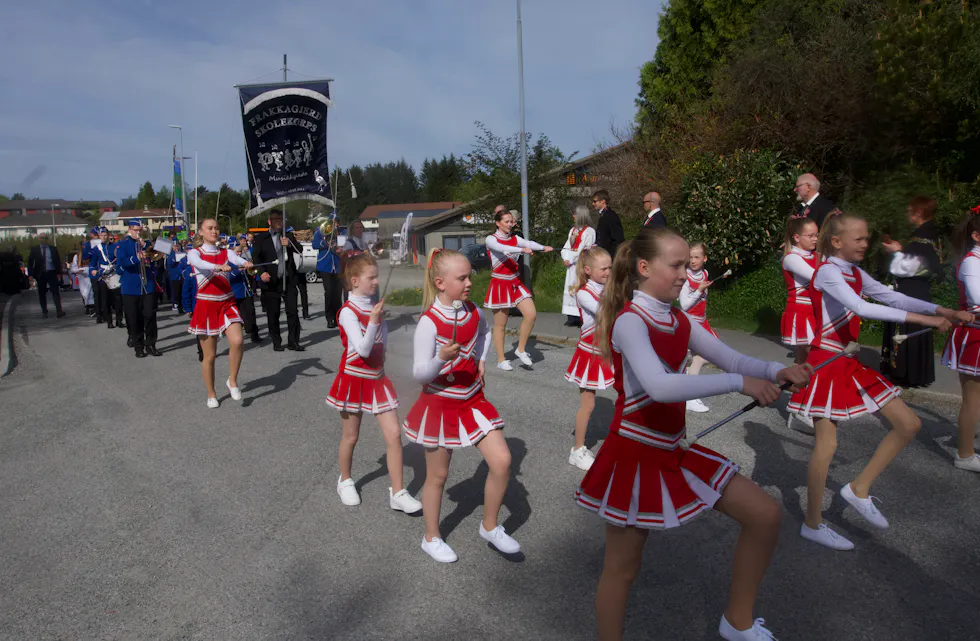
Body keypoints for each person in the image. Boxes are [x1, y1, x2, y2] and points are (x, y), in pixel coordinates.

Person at [577, 227, 811, 641]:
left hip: (672, 450)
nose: (687, 273)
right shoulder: (630, 321)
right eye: (677, 265)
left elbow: (731, 356)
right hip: (634, 455)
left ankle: (736, 622)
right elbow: (661, 386)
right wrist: (740, 384)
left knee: (765, 515)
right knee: (623, 568)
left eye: (687, 263)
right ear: (645, 268)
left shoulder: (678, 319)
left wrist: (778, 371)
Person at [786, 213, 968, 550]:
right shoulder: (827, 272)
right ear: (837, 242)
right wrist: (923, 318)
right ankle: (812, 523)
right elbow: (862, 308)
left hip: (847, 360)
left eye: (867, 238)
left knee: (909, 424)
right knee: (826, 446)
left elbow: (892, 297)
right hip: (825, 360)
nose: (866, 243)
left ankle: (858, 489)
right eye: (859, 238)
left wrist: (945, 311)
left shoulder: (853, 271)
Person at [404, 248, 517, 563]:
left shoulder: (474, 311)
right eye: (462, 277)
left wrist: (480, 360)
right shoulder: (430, 322)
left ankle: (490, 527)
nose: (470, 282)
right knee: (437, 476)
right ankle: (431, 537)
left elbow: (482, 335)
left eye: (471, 276)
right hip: (439, 404)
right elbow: (418, 374)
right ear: (440, 282)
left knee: (503, 461)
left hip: (472, 399)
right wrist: (441, 359)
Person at [325, 251, 422, 513]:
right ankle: (345, 480)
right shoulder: (348, 312)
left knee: (393, 434)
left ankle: (398, 492)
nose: (376, 282)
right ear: (355, 281)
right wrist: (374, 322)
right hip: (354, 379)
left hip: (377, 380)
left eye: (377, 277)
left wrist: (380, 324)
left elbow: (382, 348)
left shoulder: (373, 308)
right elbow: (363, 349)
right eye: (371, 277)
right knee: (351, 436)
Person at [186, 219, 252, 408]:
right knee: (210, 356)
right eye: (210, 228)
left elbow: (236, 259)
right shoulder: (194, 253)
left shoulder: (225, 252)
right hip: (206, 305)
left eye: (216, 227)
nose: (214, 231)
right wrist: (217, 267)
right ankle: (211, 393)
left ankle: (232, 380)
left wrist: (246, 262)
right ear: (201, 232)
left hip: (227, 302)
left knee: (238, 341)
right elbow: (199, 263)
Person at [880, 196, 941, 387]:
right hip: (920, 290)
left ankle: (905, 373)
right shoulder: (930, 235)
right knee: (916, 327)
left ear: (918, 213)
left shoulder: (922, 238)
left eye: (909, 212)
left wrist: (897, 252)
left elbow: (910, 268)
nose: (907, 215)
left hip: (911, 290)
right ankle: (915, 372)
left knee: (908, 327)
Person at [484, 207, 553, 370]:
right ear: (498, 223)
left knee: (531, 315)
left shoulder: (515, 238)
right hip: (500, 284)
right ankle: (501, 360)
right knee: (501, 325)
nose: (510, 224)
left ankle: (520, 349)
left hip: (515, 283)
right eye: (506, 222)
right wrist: (522, 250)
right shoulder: (490, 239)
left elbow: (529, 243)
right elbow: (502, 249)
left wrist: (543, 247)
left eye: (511, 221)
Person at [564, 246, 613, 471]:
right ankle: (578, 449)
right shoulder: (584, 293)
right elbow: (606, 314)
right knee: (588, 404)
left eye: (610, 267)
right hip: (590, 353)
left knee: (628, 393)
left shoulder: (607, 287)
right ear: (588, 270)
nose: (608, 272)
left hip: (609, 350)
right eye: (603, 268)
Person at [941, 207, 980, 472]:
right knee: (973, 398)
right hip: (975, 336)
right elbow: (978, 301)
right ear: (977, 236)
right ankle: (965, 455)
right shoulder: (971, 262)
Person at [251, 209, 303, 351]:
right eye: (275, 220)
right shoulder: (262, 238)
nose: (279, 222)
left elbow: (300, 250)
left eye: (281, 219)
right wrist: (261, 273)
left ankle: (293, 341)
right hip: (271, 281)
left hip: (288, 279)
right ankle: (276, 341)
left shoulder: (289, 235)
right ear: (269, 222)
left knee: (292, 311)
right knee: (273, 313)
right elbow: (256, 258)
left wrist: (290, 244)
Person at [678, 241, 716, 413]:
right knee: (700, 355)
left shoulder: (705, 273)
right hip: (689, 322)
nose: (693, 261)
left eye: (697, 257)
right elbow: (684, 304)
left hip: (702, 321)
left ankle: (687, 385)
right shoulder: (686, 277)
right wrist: (699, 290)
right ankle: (690, 396)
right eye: (690, 257)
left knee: (709, 354)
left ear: (705, 258)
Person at [116, 219, 161, 358]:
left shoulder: (147, 244)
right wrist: (136, 257)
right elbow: (120, 266)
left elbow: (157, 258)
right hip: (130, 287)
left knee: (150, 316)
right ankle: (138, 346)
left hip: (148, 286)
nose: (138, 232)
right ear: (129, 230)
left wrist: (153, 254)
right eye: (136, 230)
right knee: (134, 318)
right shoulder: (122, 245)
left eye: (140, 230)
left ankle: (151, 344)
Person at [560, 205, 596, 327]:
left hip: (580, 263)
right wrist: (565, 257)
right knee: (570, 289)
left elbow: (584, 248)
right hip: (570, 265)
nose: (573, 216)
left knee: (580, 287)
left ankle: (582, 316)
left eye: (575, 214)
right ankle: (572, 317)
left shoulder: (589, 231)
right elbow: (566, 246)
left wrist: (571, 258)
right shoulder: (573, 230)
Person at [89, 228, 125, 330]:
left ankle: (119, 320)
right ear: (99, 236)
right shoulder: (96, 249)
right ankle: (109, 321)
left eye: (105, 235)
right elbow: (92, 264)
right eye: (101, 235)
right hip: (103, 275)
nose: (103, 237)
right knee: (106, 300)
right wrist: (93, 270)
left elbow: (119, 259)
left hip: (114, 273)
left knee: (118, 300)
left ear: (108, 235)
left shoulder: (115, 247)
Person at [228, 240, 262, 343]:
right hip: (235, 292)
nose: (239, 254)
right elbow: (228, 277)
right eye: (237, 251)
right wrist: (237, 271)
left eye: (240, 251)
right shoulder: (227, 263)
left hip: (247, 291)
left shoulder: (243, 260)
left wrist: (251, 269)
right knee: (237, 316)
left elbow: (251, 274)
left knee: (251, 312)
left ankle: (254, 334)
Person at [313, 219, 343, 328]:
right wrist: (326, 241)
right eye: (333, 222)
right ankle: (329, 318)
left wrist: (338, 237)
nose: (335, 224)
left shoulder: (340, 233)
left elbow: (343, 245)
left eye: (336, 222)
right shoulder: (320, 232)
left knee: (338, 293)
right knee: (329, 292)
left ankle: (339, 317)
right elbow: (314, 244)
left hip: (338, 266)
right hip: (325, 266)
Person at [27, 233, 65, 318]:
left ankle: (59, 311)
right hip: (40, 274)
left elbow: (57, 261)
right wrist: (30, 275)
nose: (43, 239)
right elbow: (30, 262)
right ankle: (44, 311)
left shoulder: (53, 249)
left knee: (55, 292)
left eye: (45, 238)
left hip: (51, 272)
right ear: (39, 239)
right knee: (42, 293)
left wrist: (59, 272)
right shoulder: (35, 250)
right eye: (42, 238)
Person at [286, 226, 312, 320]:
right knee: (293, 292)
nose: (294, 235)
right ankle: (294, 311)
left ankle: (305, 312)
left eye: (294, 233)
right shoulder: (285, 243)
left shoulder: (296, 243)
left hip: (300, 269)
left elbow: (300, 249)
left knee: (303, 291)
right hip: (292, 270)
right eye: (291, 233)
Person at [592, 189, 624, 258]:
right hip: (603, 255)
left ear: (603, 201)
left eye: (595, 201)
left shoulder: (611, 216)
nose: (593, 204)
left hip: (609, 256)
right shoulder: (604, 215)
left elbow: (618, 239)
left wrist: (612, 257)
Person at [70, 246, 94, 315]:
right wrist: (78, 271)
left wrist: (87, 270)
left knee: (91, 292)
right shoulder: (77, 256)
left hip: (90, 274)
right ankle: (87, 307)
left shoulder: (91, 253)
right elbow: (74, 267)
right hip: (82, 277)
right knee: (85, 293)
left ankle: (92, 307)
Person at [167, 243, 185, 314]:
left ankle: (181, 305)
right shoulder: (171, 254)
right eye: (175, 246)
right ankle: (175, 303)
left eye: (177, 246)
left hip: (181, 275)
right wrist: (175, 256)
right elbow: (170, 263)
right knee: (175, 291)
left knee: (182, 290)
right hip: (174, 276)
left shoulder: (182, 252)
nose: (176, 247)